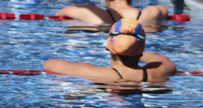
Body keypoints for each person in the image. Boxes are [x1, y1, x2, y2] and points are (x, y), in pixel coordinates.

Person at [43, 18, 177, 84]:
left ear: (108, 46)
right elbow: (162, 60)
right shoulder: (155, 73)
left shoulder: (102, 74)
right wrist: (134, 49)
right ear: (141, 49)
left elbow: (50, 64)